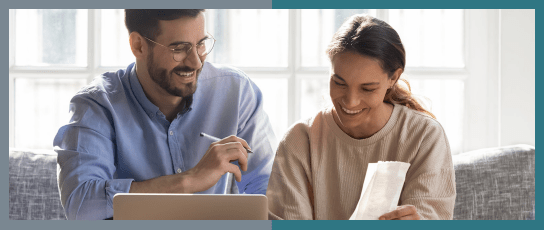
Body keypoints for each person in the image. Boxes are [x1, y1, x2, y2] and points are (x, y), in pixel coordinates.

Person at [53, 9, 277, 220]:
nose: (196, 62)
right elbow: (80, 205)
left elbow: (268, 191)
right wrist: (189, 181)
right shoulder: (97, 105)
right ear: (138, 46)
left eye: (200, 44)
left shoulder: (236, 92)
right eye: (179, 48)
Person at [266, 14, 456, 220]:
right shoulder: (299, 141)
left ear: (393, 77)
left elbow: (429, 217)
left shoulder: (423, 136)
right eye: (339, 83)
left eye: (367, 89)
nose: (350, 102)